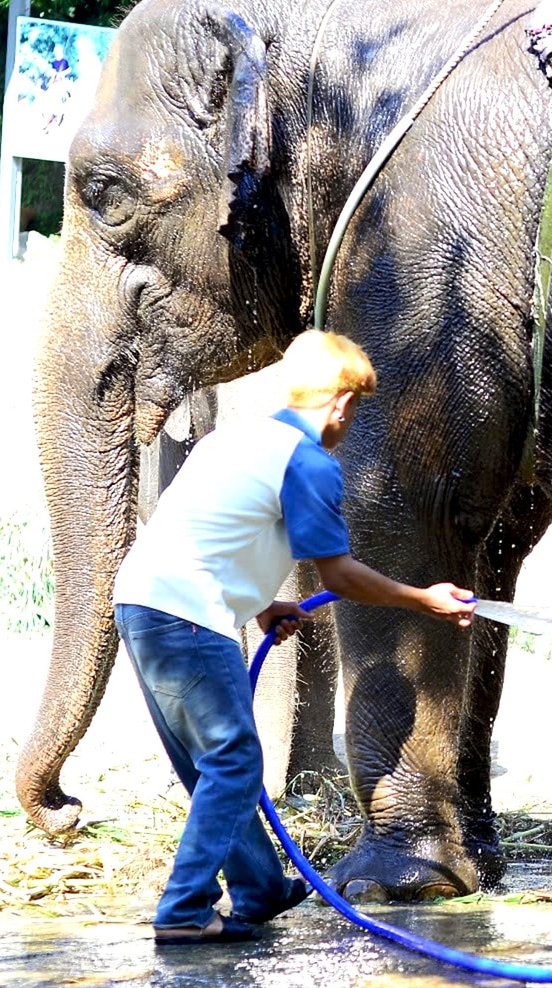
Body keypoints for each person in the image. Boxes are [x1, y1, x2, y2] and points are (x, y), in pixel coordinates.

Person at [110, 329, 474, 946]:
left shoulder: (238, 438)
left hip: (142, 603)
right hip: (190, 616)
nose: (349, 423)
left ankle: (260, 890)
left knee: (217, 769)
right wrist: (423, 599)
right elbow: (340, 575)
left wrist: (259, 604)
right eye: (354, 408)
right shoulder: (307, 462)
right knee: (233, 762)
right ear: (340, 402)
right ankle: (184, 910)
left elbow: (209, 529)